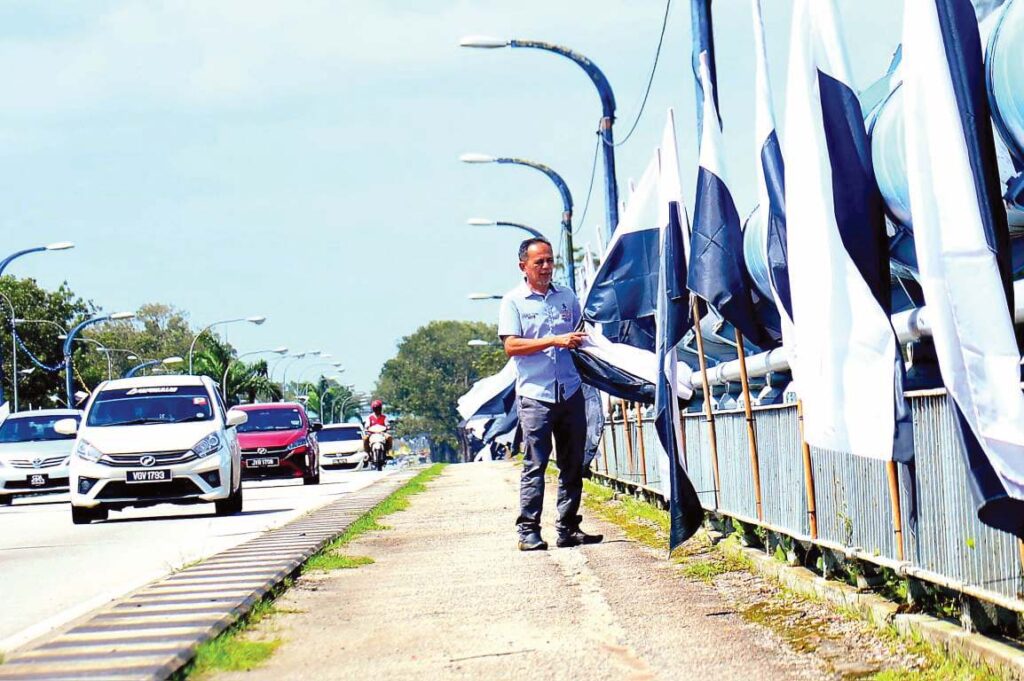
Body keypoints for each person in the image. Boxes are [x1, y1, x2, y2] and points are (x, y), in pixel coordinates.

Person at [498, 237, 603, 551]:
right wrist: (553, 341)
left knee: (573, 464)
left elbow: (582, 333)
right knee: (535, 465)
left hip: (570, 391)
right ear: (523, 267)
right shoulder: (513, 301)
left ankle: (568, 527)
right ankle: (528, 531)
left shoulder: (567, 297)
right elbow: (511, 345)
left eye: (549, 261)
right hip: (536, 395)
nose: (545, 268)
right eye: (538, 263)